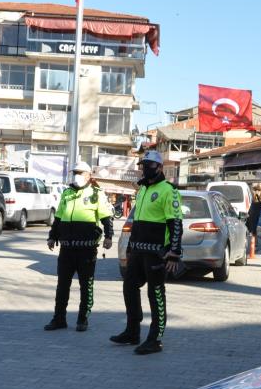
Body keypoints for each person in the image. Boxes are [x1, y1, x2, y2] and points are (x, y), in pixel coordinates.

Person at [111, 151, 183, 355]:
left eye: (150, 165)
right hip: (138, 250)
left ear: (160, 168)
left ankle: (155, 339)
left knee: (156, 293)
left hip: (157, 253)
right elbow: (137, 222)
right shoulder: (142, 189)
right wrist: (130, 246)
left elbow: (175, 223)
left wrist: (174, 252)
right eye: (144, 165)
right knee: (129, 287)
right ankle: (132, 331)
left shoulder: (168, 190)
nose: (145, 168)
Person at [45, 161, 114, 332]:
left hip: (87, 248)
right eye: (75, 172)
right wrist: (52, 237)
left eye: (80, 172)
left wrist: (109, 236)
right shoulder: (67, 193)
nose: (77, 175)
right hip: (67, 247)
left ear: (89, 175)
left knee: (86, 285)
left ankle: (83, 319)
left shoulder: (97, 193)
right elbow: (59, 217)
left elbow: (106, 217)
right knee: (62, 286)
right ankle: (59, 318)